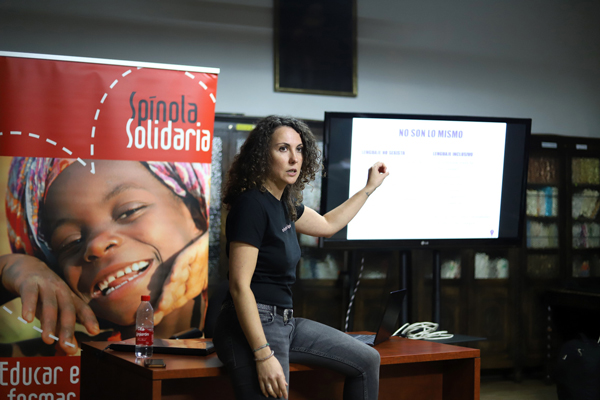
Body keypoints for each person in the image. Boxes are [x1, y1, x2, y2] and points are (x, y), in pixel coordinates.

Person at [213, 115, 389, 399]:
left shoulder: (284, 203)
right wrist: (262, 354)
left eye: (299, 149)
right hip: (250, 325)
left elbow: (329, 225)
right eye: (283, 149)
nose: (294, 158)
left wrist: (369, 188)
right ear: (262, 156)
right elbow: (239, 286)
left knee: (367, 359)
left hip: (285, 321)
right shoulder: (251, 205)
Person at [0, 158, 210, 355]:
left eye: (130, 211)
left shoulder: (230, 332)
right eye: (70, 242)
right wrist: (9, 269)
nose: (97, 245)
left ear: (195, 215)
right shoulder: (59, 358)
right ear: (55, 270)